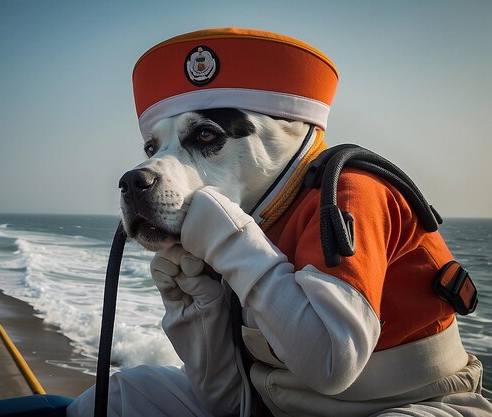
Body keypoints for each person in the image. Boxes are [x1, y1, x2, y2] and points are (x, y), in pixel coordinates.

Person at [67, 28, 492, 417]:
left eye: (206, 138)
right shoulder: (247, 219)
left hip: (418, 404)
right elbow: (226, 403)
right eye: (154, 146)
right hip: (278, 404)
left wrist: (232, 243)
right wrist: (195, 305)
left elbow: (330, 364)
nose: (149, 168)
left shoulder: (350, 193)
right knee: (119, 396)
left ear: (288, 132)